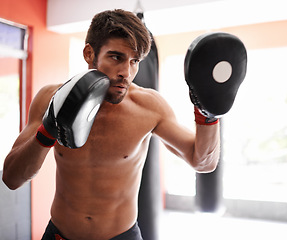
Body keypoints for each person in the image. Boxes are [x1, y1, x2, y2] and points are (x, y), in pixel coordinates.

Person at [2, 9, 220, 240]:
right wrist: (46, 132)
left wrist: (207, 113)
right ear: (89, 53)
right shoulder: (50, 98)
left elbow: (202, 162)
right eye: (116, 57)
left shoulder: (150, 107)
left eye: (134, 61)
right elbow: (12, 178)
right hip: (60, 235)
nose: (126, 72)